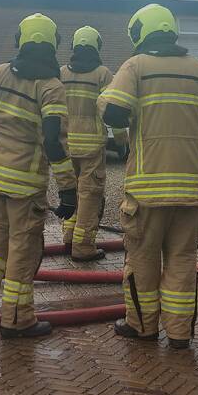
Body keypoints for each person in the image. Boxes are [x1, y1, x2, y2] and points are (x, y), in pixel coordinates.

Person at [99, 4, 198, 349]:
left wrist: (103, 99)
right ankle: (179, 334)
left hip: (146, 193)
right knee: (183, 261)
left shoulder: (136, 67)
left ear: (139, 33)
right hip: (190, 192)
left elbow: (114, 111)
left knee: (142, 261)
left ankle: (142, 327)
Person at [0, 13, 78, 339]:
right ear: (54, 45)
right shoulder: (52, 87)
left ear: (20, 40)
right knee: (22, 248)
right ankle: (17, 319)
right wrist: (68, 190)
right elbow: (54, 141)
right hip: (24, 184)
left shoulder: (0, 72)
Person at [59, 26, 115, 261]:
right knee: (90, 196)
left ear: (74, 46)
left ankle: (69, 237)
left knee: (72, 193)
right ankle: (83, 247)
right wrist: (122, 140)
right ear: (97, 47)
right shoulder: (102, 74)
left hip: (66, 146)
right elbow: (113, 110)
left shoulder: (61, 73)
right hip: (92, 147)